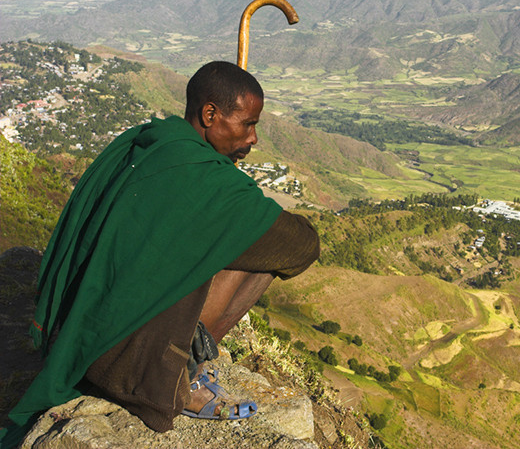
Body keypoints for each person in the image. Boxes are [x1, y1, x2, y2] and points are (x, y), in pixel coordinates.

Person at [1, 61, 319, 446]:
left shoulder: (148, 141)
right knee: (259, 236)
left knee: (243, 230)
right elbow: (303, 245)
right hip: (121, 365)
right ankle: (182, 369)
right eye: (248, 124)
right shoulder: (204, 180)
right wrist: (238, 201)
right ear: (210, 114)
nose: (253, 138)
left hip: (73, 333)